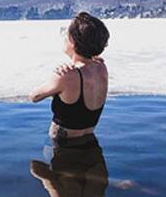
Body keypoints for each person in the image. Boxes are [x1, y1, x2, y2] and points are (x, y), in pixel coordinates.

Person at [30, 12, 110, 141]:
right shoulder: (101, 67)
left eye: (66, 35)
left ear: (73, 42)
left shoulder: (65, 75)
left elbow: (34, 97)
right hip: (89, 140)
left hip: (62, 147)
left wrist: (56, 78)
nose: (64, 38)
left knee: (33, 162)